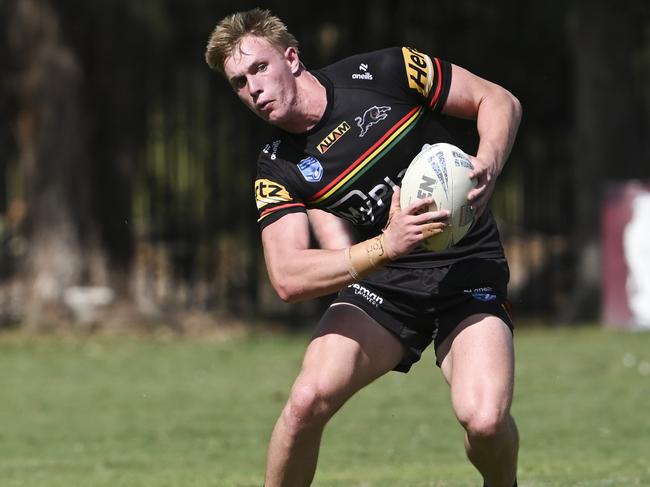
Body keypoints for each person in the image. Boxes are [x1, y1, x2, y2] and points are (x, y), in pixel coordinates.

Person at [206, 8, 522, 487]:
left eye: (258, 68)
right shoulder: (278, 166)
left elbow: (497, 100)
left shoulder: (386, 72)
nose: (252, 88)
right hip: (387, 282)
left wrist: (488, 164)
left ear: (291, 58)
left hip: (466, 268)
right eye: (238, 82)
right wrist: (385, 247)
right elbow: (288, 276)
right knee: (306, 400)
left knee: (484, 420)